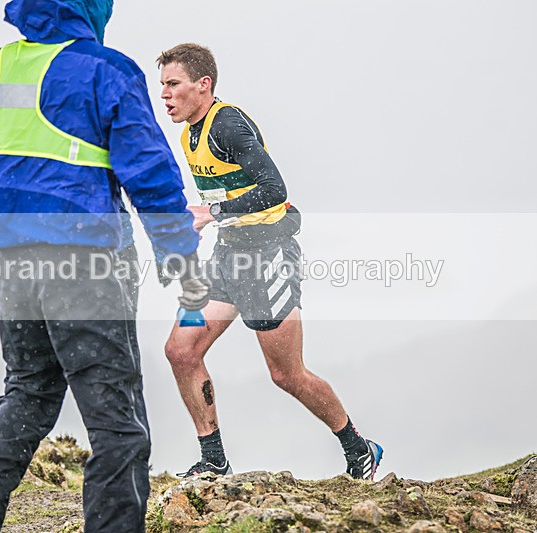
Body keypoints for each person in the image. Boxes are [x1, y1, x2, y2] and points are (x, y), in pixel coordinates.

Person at [0, 1, 210, 532]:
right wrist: (178, 254)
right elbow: (149, 172)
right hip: (86, 261)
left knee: (27, 391)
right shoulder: (105, 69)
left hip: (9, 261)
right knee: (116, 417)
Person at [156, 43, 383, 480]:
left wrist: (211, 214)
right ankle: (214, 460)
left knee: (286, 374)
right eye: (162, 85)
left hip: (268, 257)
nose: (165, 95)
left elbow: (274, 189)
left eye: (173, 84)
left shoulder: (229, 125)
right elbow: (222, 195)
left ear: (203, 85)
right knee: (181, 351)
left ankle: (359, 449)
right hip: (229, 256)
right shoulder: (190, 133)